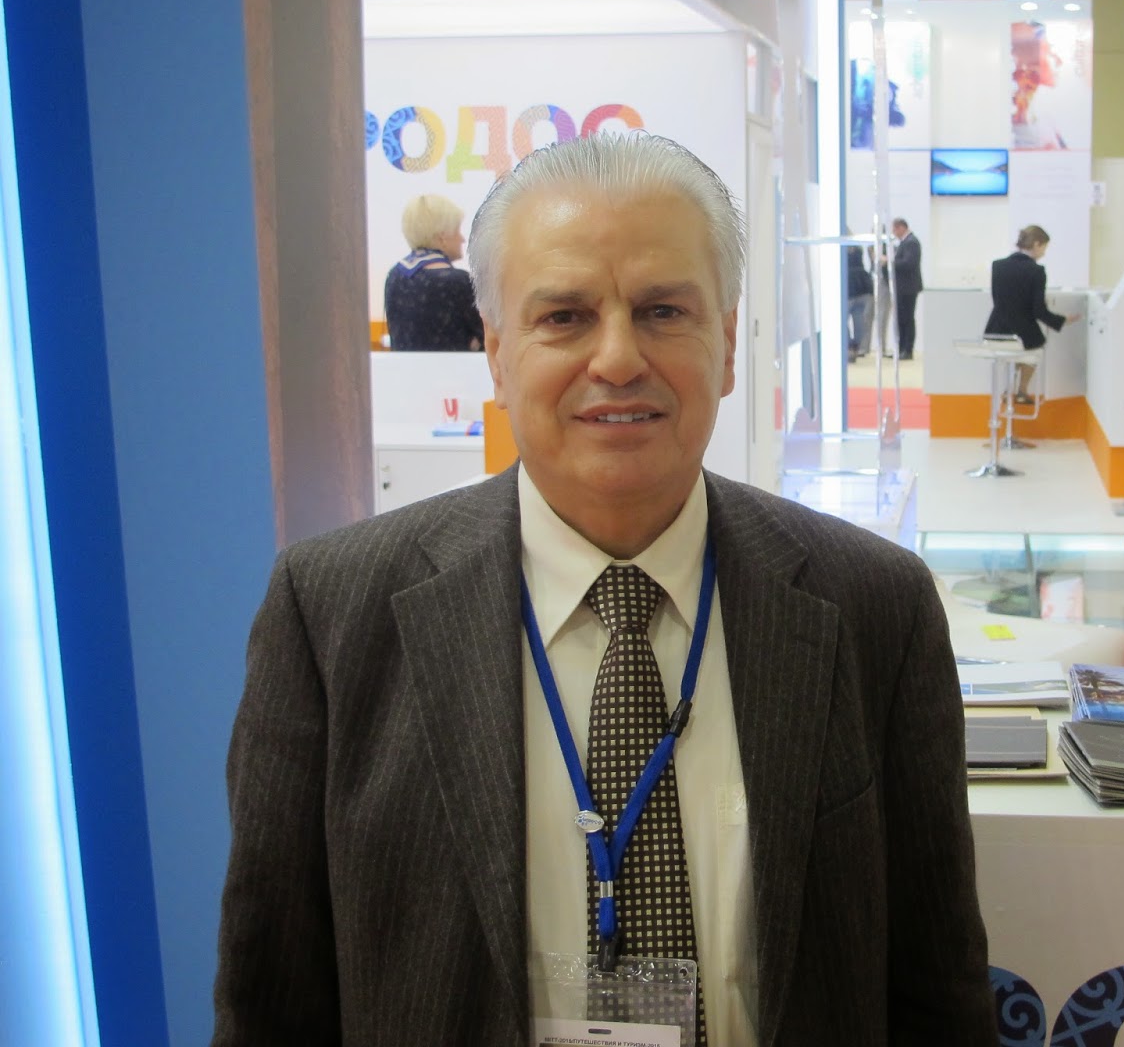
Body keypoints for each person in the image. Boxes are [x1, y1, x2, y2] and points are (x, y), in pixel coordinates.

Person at [213, 133, 993, 1046]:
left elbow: (938, 990)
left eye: (663, 310)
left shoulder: (876, 606)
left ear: (728, 345)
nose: (618, 358)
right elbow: (273, 1006)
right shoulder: (331, 614)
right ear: (496, 351)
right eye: (565, 316)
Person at [383, 193, 485, 351]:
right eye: (457, 230)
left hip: (403, 367)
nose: (462, 239)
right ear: (442, 237)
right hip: (455, 367)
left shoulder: (394, 276)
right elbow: (487, 339)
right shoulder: (458, 282)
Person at [984, 224, 1067, 404]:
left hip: (996, 331)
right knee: (1035, 347)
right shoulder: (1037, 271)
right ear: (1036, 244)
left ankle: (1008, 390)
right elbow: (1039, 310)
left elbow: (998, 300)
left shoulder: (998, 265)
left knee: (1016, 352)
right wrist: (1061, 321)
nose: (1044, 253)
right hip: (1022, 332)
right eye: (1044, 247)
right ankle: (1021, 391)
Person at [889, 218, 923, 358]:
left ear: (901, 228)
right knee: (901, 319)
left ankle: (907, 350)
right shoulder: (905, 242)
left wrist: (891, 262)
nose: (893, 233)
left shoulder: (911, 242)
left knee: (907, 319)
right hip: (902, 288)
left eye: (894, 229)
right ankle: (901, 348)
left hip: (908, 288)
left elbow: (909, 263)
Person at [846, 242, 873, 363]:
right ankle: (855, 346)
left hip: (849, 288)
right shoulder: (859, 249)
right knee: (860, 321)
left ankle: (849, 346)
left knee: (841, 321)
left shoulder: (841, 252)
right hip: (863, 287)